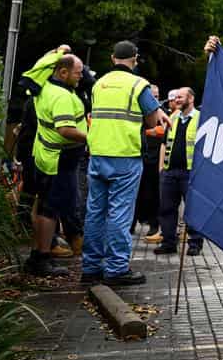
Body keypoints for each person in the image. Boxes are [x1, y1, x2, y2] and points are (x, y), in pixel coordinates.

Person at [82, 41, 168, 286]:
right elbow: (153, 122)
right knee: (120, 213)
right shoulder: (138, 84)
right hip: (125, 156)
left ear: (112, 58)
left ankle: (90, 268)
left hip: (98, 153)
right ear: (135, 58)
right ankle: (116, 269)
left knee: (95, 212)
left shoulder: (99, 84)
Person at [26, 53, 87, 277]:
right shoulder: (61, 96)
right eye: (78, 73)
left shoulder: (43, 87)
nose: (81, 77)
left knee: (43, 206)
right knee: (49, 210)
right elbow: (65, 129)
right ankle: (42, 258)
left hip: (46, 154)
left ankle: (37, 255)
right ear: (63, 72)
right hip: (60, 160)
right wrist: (92, 138)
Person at [153, 87, 202, 256]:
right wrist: (161, 169)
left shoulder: (200, 119)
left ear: (191, 98)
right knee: (166, 209)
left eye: (181, 97)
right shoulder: (172, 117)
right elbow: (164, 143)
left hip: (190, 173)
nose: (177, 99)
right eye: (176, 97)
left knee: (193, 210)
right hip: (169, 172)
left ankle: (195, 243)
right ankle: (168, 242)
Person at [135, 85, 165, 238]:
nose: (155, 99)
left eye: (157, 96)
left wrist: (148, 132)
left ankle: (154, 225)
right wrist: (148, 132)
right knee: (136, 193)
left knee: (154, 194)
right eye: (152, 96)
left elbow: (163, 130)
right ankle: (131, 224)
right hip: (138, 157)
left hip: (154, 160)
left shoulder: (160, 113)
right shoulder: (138, 112)